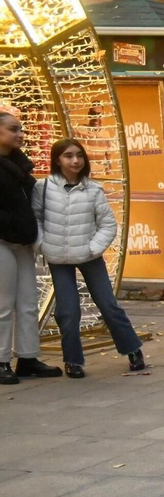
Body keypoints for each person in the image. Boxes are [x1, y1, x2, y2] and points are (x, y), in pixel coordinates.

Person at [32, 137, 145, 377]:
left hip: (89, 256)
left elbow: (108, 225)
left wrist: (93, 248)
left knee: (108, 304)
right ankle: (72, 361)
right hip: (58, 258)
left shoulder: (93, 190)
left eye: (79, 155)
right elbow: (36, 219)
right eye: (68, 156)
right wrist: (43, 245)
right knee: (68, 311)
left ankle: (133, 349)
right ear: (57, 160)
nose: (75, 161)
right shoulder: (43, 187)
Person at [0, 112, 60, 384]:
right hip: (3, 240)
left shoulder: (20, 164)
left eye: (21, 129)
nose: (20, 134)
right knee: (3, 304)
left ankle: (27, 357)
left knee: (27, 302)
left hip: (23, 241)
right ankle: (1, 360)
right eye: (14, 129)